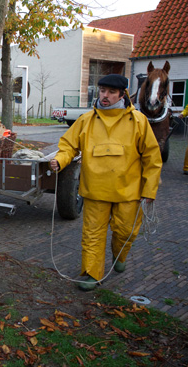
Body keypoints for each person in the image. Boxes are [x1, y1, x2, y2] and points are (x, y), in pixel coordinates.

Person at [49, 74, 162, 291]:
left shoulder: (138, 121)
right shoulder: (86, 120)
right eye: (102, 91)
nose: (105, 96)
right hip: (94, 191)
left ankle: (120, 255)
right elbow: (68, 146)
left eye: (111, 92)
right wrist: (59, 160)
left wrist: (149, 190)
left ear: (122, 94)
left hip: (128, 191)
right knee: (92, 234)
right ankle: (92, 273)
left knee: (125, 230)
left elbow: (152, 158)